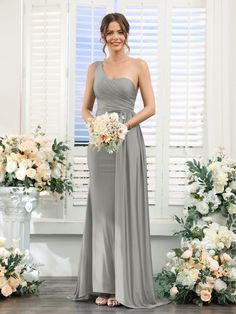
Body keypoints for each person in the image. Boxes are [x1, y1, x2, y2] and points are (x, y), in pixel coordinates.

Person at [71, 12, 168, 308]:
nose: (115, 37)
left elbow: (151, 107)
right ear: (102, 36)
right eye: (110, 32)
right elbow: (86, 109)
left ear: (127, 35)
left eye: (120, 32)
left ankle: (122, 287)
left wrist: (123, 126)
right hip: (100, 146)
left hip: (128, 142)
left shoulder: (139, 65)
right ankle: (103, 284)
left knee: (124, 210)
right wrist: (97, 125)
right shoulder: (94, 68)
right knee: (102, 213)